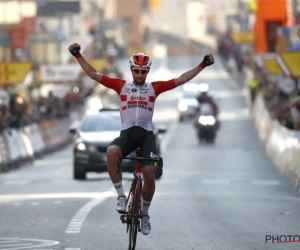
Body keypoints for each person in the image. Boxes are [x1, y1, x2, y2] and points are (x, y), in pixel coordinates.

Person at [68, 43, 215, 235]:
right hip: (128, 135)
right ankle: (121, 196)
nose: (139, 75)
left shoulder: (154, 88)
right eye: (136, 71)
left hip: (146, 136)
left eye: (143, 72)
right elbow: (94, 74)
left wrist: (202, 65)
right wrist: (78, 55)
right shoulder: (121, 86)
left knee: (149, 173)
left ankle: (144, 214)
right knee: (112, 152)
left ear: (147, 72)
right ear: (131, 70)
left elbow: (181, 79)